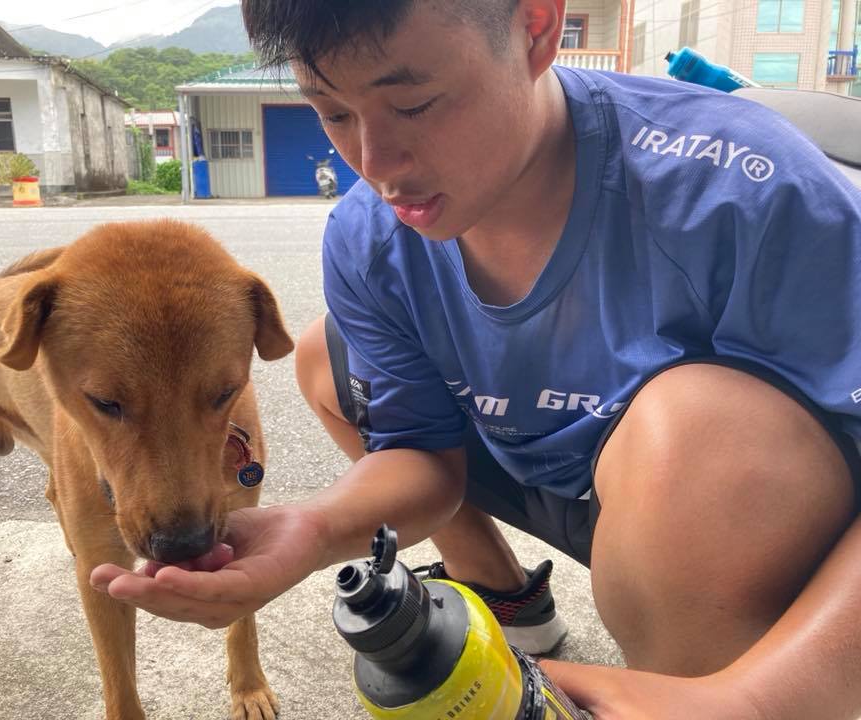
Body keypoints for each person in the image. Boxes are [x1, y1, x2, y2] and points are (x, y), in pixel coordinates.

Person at [90, 1, 861, 716]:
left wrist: (757, 696)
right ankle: (503, 596)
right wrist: (316, 531)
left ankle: (692, 677)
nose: (376, 160)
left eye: (415, 103)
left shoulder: (740, 188)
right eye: (331, 112)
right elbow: (422, 453)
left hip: (710, 501)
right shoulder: (370, 239)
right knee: (330, 353)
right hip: (563, 475)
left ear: (535, 28)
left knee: (697, 437)